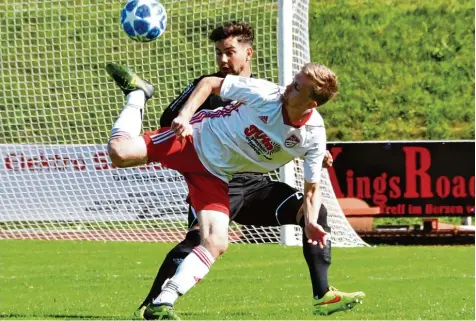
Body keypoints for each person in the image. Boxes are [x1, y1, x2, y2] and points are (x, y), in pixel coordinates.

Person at [131, 21, 364, 319]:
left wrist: (315, 155)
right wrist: (191, 121)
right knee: (199, 239)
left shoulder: (269, 93)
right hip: (215, 177)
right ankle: (151, 304)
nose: (223, 60)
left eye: (229, 52)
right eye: (218, 53)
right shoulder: (209, 87)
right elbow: (171, 122)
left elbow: (284, 138)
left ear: (248, 53)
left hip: (255, 186)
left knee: (313, 212)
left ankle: (323, 294)